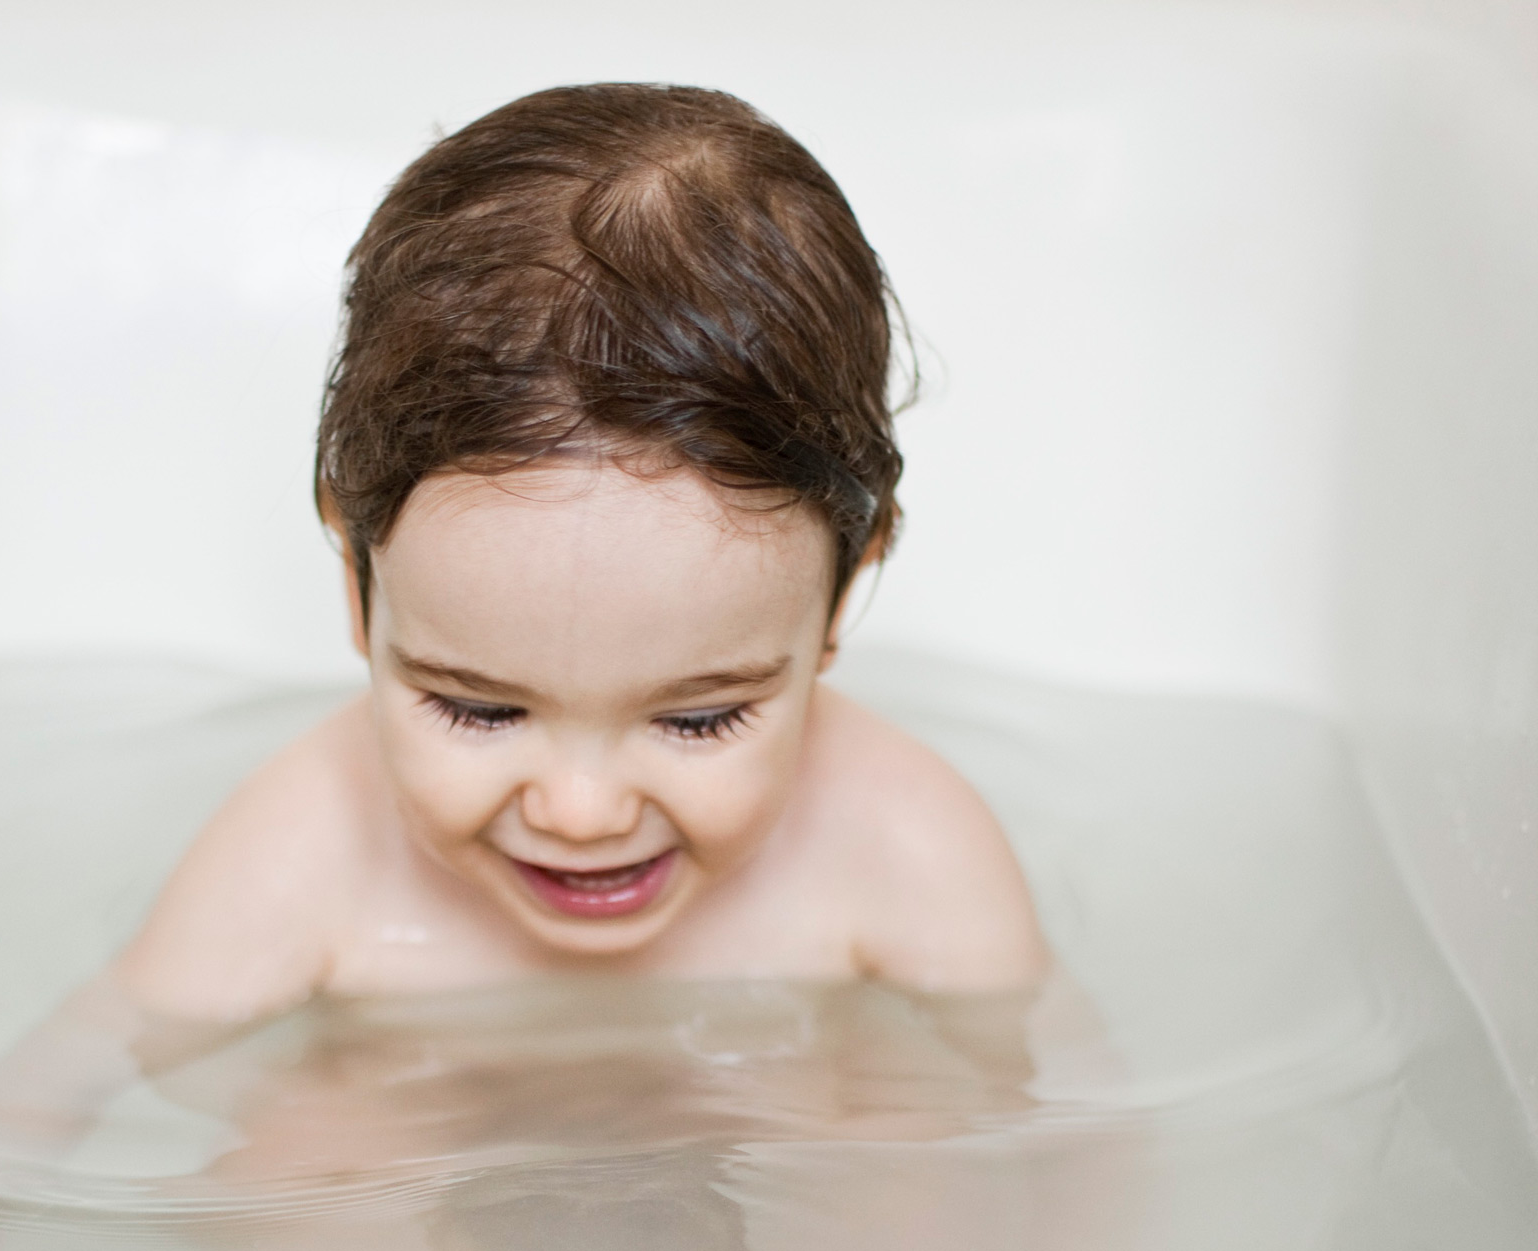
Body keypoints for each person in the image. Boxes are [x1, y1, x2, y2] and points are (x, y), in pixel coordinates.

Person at [110, 82, 1050, 1027]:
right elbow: (65, 1088)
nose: (582, 812)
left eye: (701, 720)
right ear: (357, 576)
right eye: (477, 709)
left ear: (846, 591)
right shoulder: (301, 854)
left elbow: (1047, 1130)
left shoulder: (906, 846)